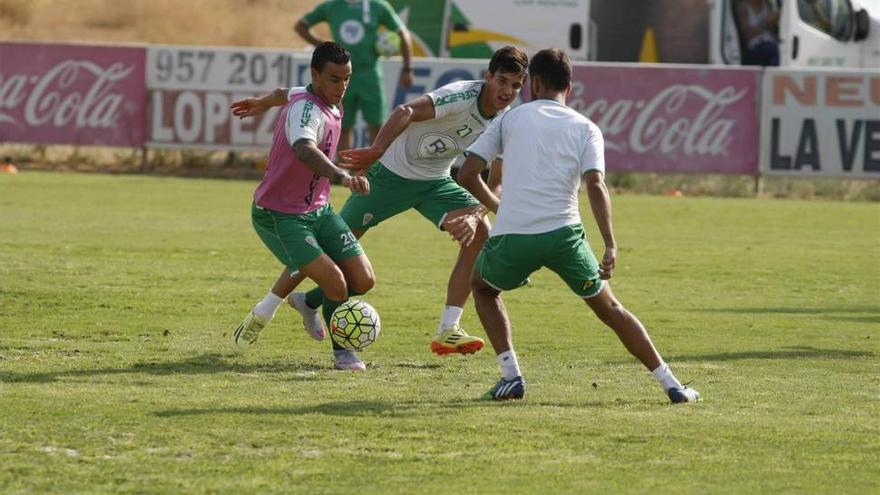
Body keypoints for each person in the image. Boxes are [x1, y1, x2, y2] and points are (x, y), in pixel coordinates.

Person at [236, 46, 529, 358]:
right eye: (502, 81)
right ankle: (272, 308)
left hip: (434, 182)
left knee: (479, 233)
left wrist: (481, 211)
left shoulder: (506, 120)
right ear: (488, 77)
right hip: (387, 176)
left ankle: (448, 329)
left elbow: (493, 177)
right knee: (328, 251)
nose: (507, 91)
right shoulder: (460, 96)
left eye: (516, 85)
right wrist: (376, 151)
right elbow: (406, 112)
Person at [457, 48, 702, 404]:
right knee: (611, 310)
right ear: (569, 89)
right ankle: (671, 384)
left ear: (534, 83)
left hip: (515, 237)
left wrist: (500, 207)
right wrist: (610, 244)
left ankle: (511, 377)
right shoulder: (587, 128)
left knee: (482, 288)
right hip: (564, 237)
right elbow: (596, 186)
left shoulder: (509, 119)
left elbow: (467, 174)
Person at [230, 42, 376, 371]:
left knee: (363, 280)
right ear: (316, 75)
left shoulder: (321, 97)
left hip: (318, 211)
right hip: (280, 214)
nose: (342, 87)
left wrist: (262, 102)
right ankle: (343, 354)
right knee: (336, 283)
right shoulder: (306, 111)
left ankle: (306, 303)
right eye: (335, 79)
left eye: (347, 79)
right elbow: (304, 150)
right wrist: (342, 176)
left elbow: (285, 91)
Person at [295, 0, 415, 153]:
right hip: (339, 76)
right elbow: (301, 26)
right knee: (341, 126)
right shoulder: (332, 6)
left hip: (369, 75)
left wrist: (408, 68)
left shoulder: (377, 5)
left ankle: (372, 172)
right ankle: (345, 173)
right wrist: (323, 45)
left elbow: (402, 33)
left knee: (377, 127)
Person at [736, 0, 780, 66]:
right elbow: (746, 35)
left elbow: (772, 30)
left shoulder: (767, 4)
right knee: (775, 50)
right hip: (754, 45)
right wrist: (765, 23)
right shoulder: (744, 7)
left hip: (770, 41)